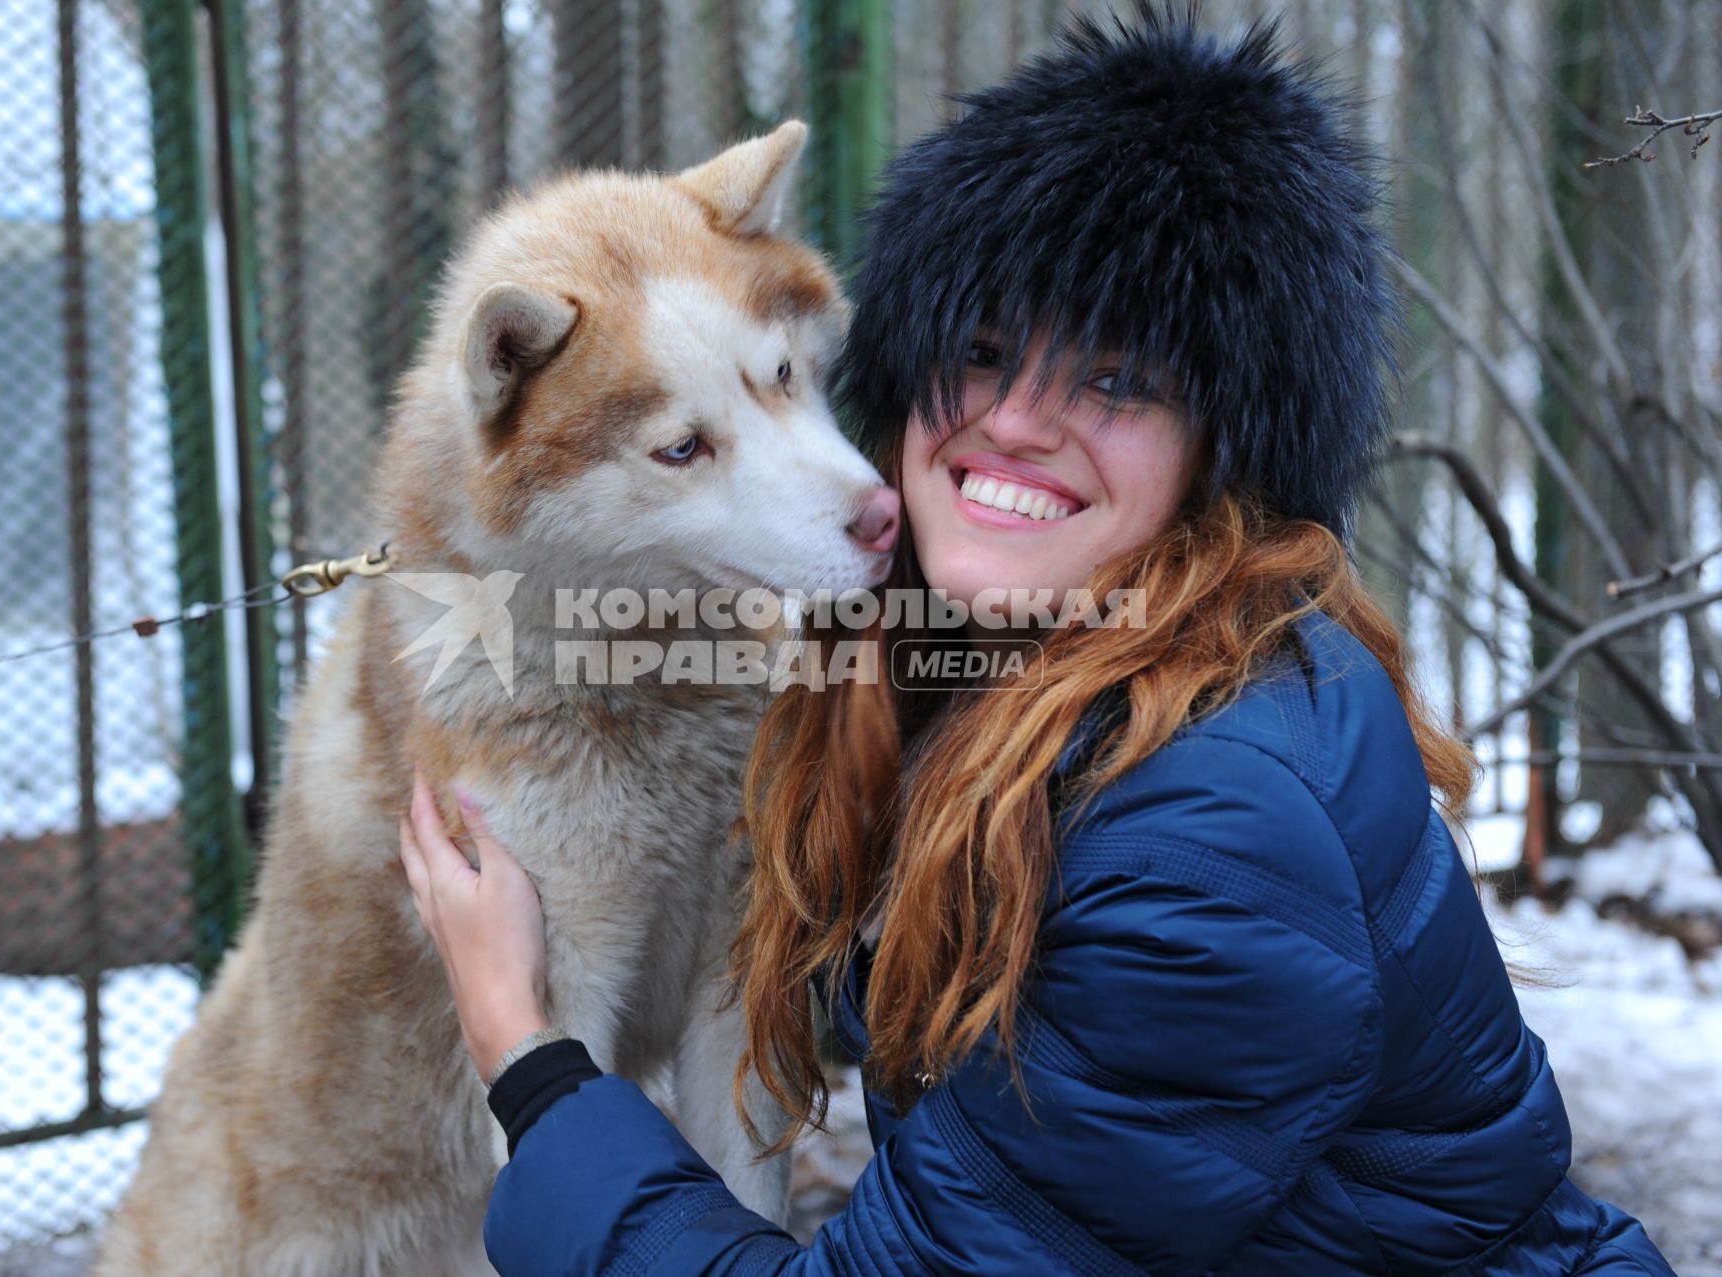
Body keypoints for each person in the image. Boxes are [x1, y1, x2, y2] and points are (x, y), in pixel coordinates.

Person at [396, 7, 1678, 1273]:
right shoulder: (1024, 666)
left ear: (1226, 451)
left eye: (1117, 380)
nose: (1013, 422)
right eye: (985, 349)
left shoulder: (1209, 852)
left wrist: (530, 1052)